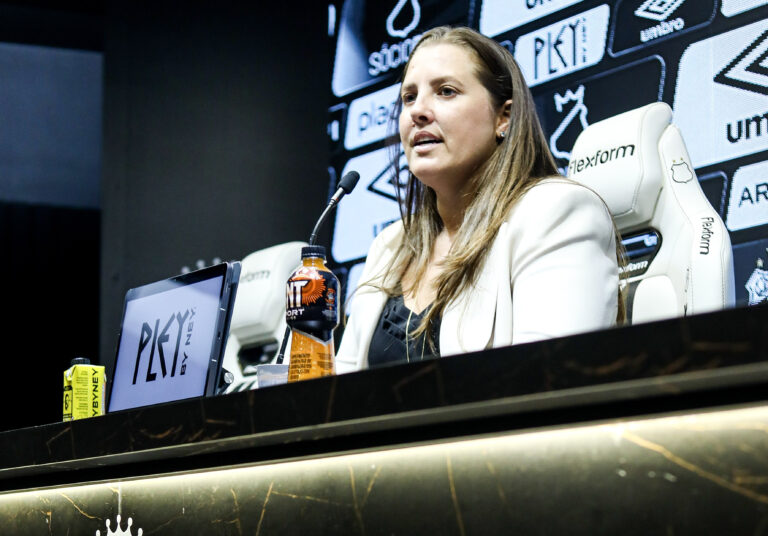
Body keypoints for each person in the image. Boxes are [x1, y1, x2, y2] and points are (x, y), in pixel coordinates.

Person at [336, 26, 624, 373]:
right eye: (409, 97)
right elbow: (343, 391)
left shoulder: (555, 213)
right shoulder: (389, 245)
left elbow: (549, 382)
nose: (418, 112)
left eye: (446, 91)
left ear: (503, 117)